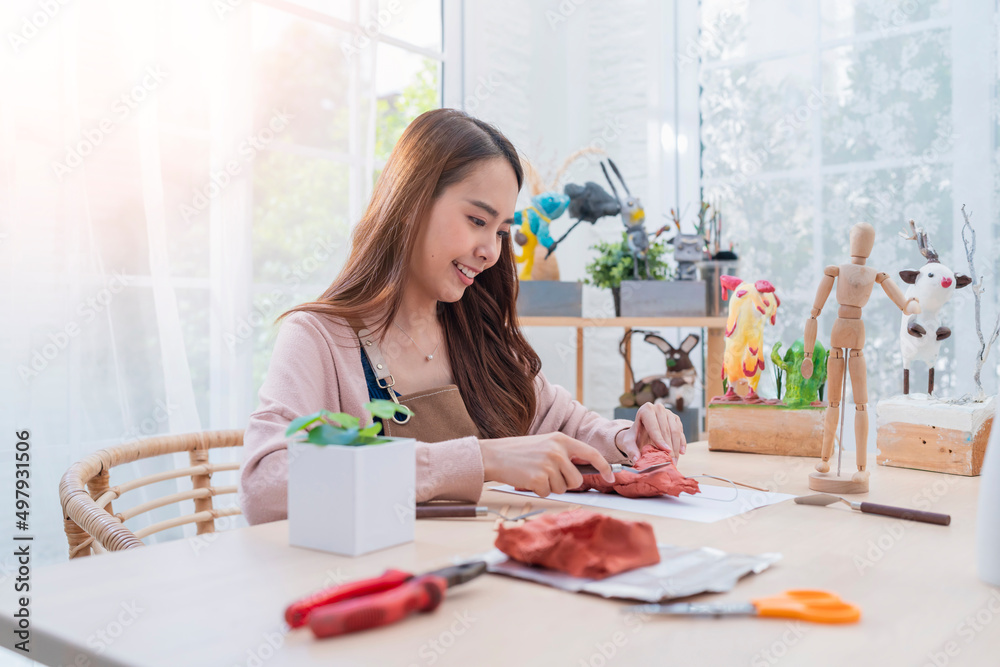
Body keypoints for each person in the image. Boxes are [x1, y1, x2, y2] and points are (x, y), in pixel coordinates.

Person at [238, 108, 686, 525]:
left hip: (487, 586)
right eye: (477, 220)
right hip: (383, 591)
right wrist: (484, 459)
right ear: (412, 202)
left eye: (502, 232)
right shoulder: (318, 338)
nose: (491, 251)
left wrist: (628, 438)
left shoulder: (477, 335)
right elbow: (266, 486)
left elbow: (566, 424)